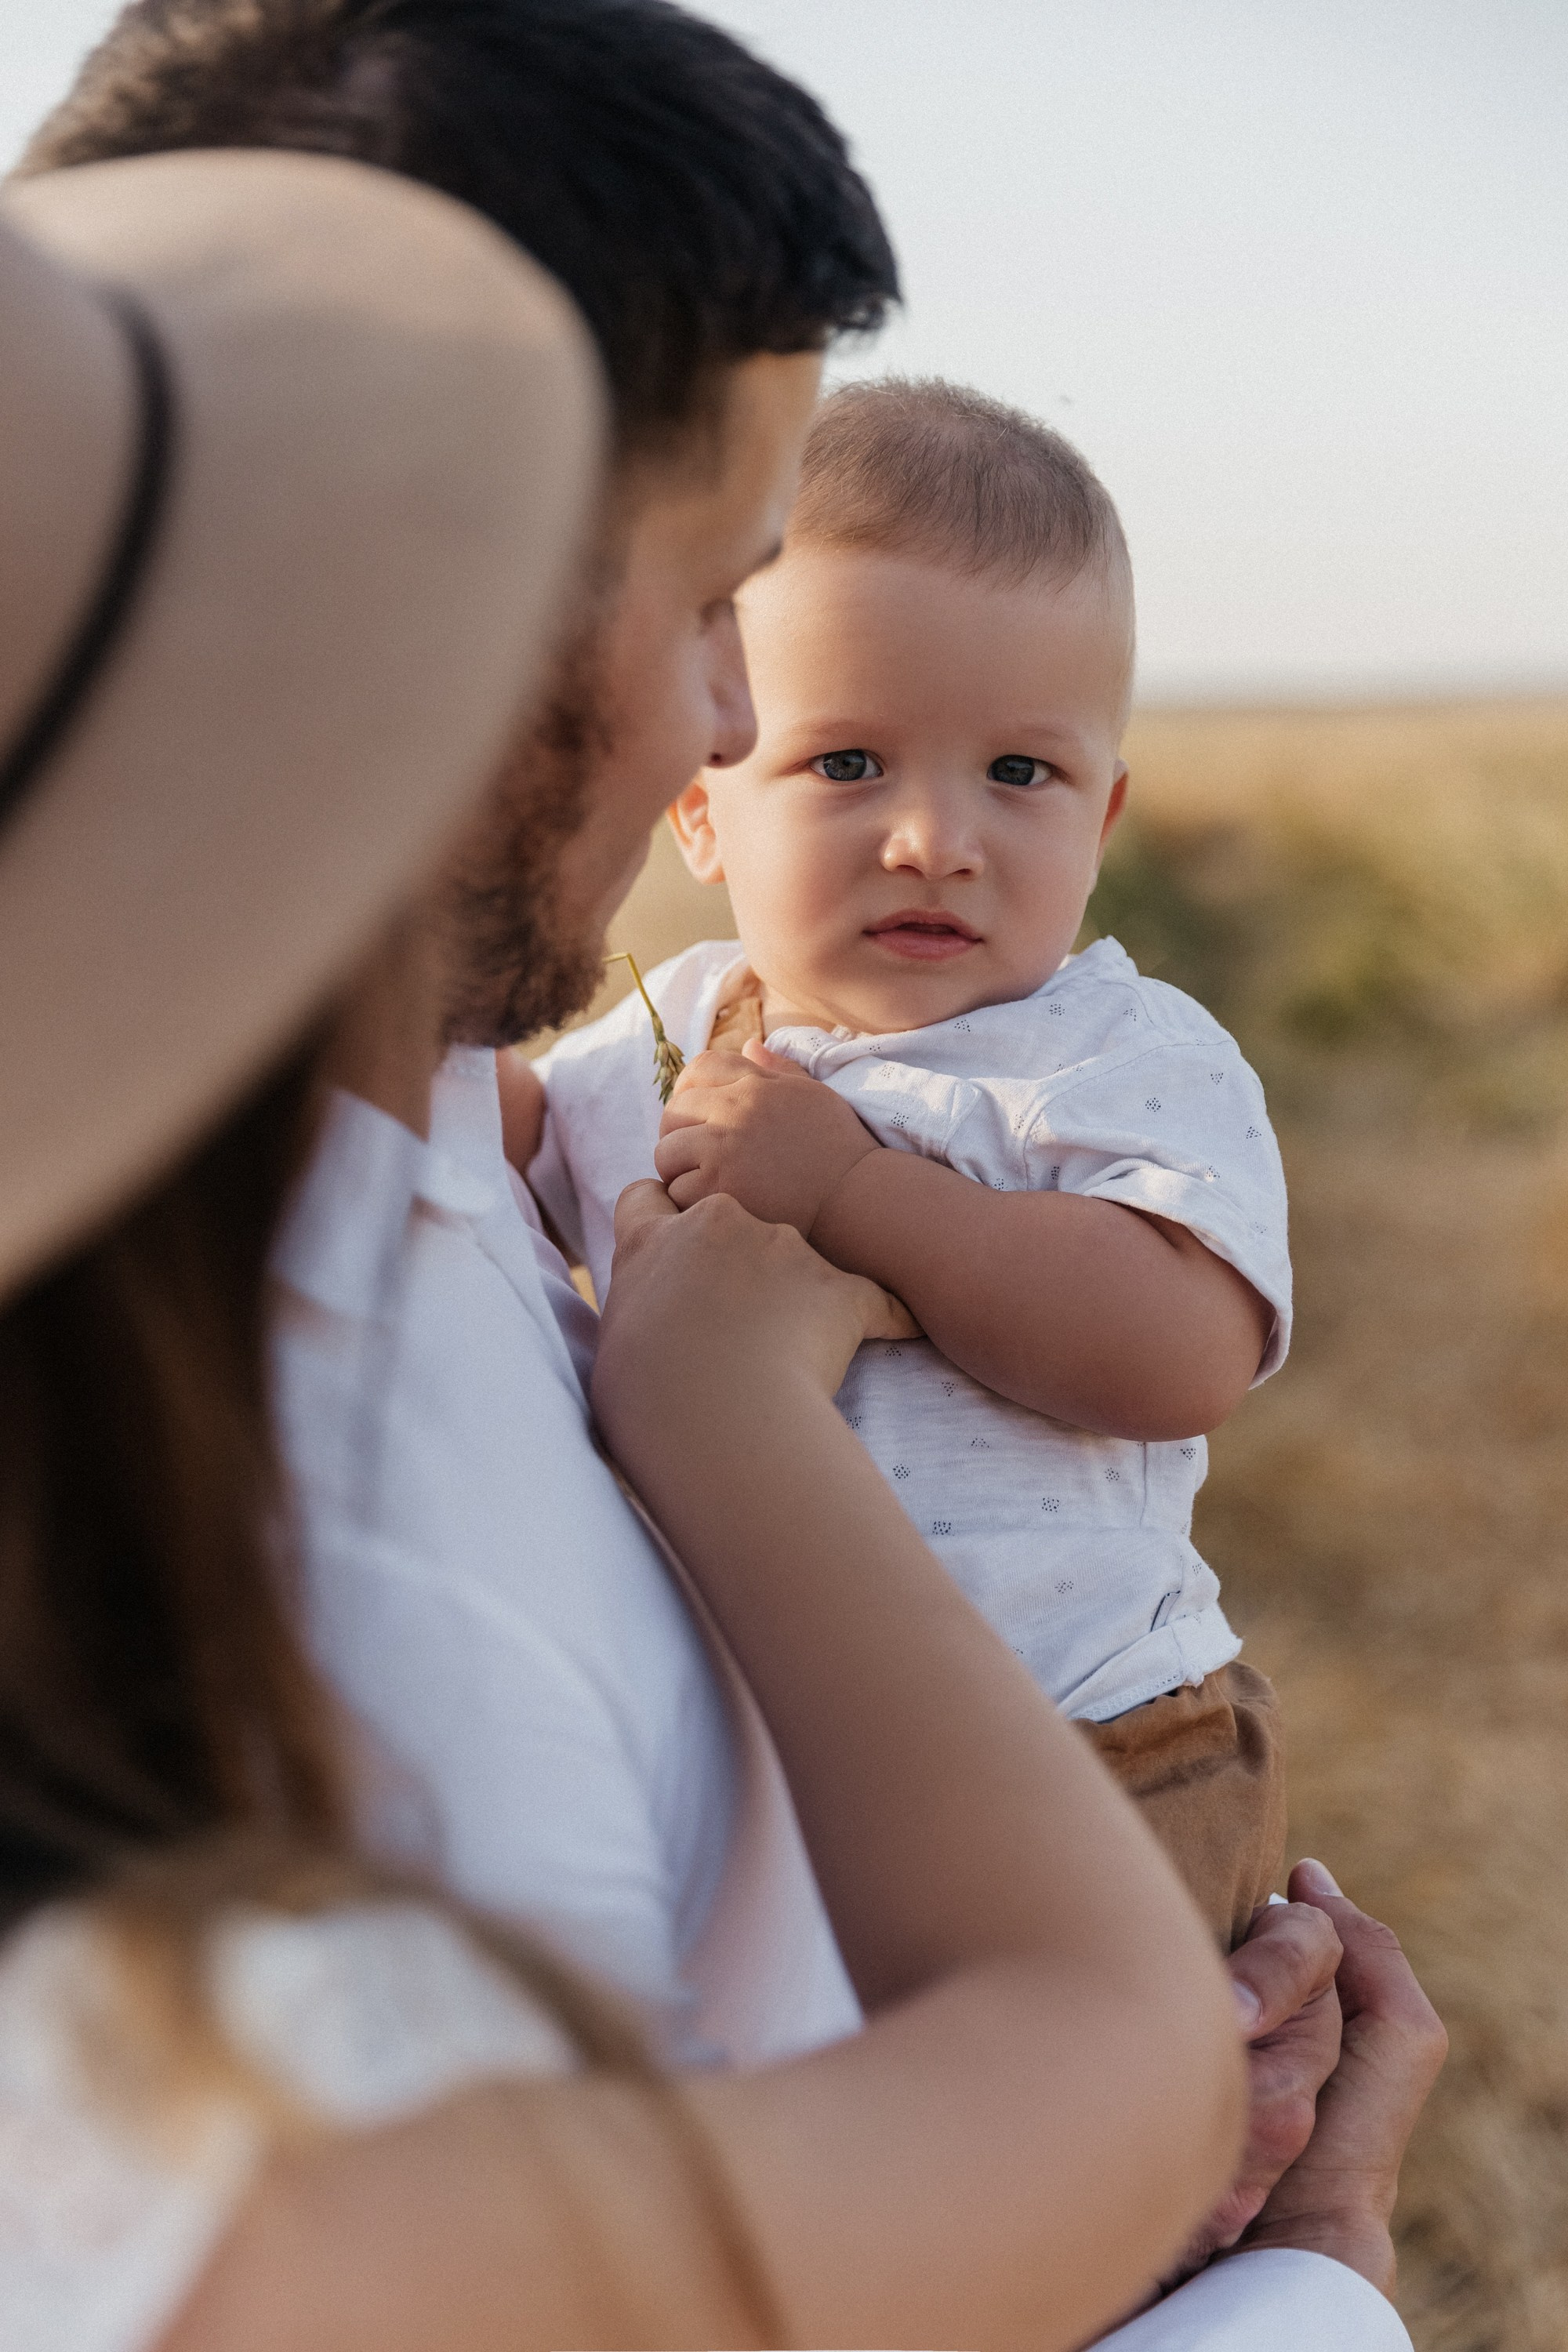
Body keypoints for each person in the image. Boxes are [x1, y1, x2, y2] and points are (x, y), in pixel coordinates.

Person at [20, 3, 1447, 2334]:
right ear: (435, 613)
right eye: (717, 609)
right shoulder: (370, 1576)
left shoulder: (439, 1161)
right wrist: (1294, 2269)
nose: (728, 720)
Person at [527, 377, 1290, 1951]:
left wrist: (859, 1197)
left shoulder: (1114, 1055)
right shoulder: (663, 1044)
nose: (935, 837)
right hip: (770, 1768)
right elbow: (489, 1153)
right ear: (699, 803)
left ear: (1103, 814)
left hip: (1097, 1747)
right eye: (850, 764)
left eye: (1021, 774)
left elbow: (1178, 1352)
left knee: (1113, 2144)